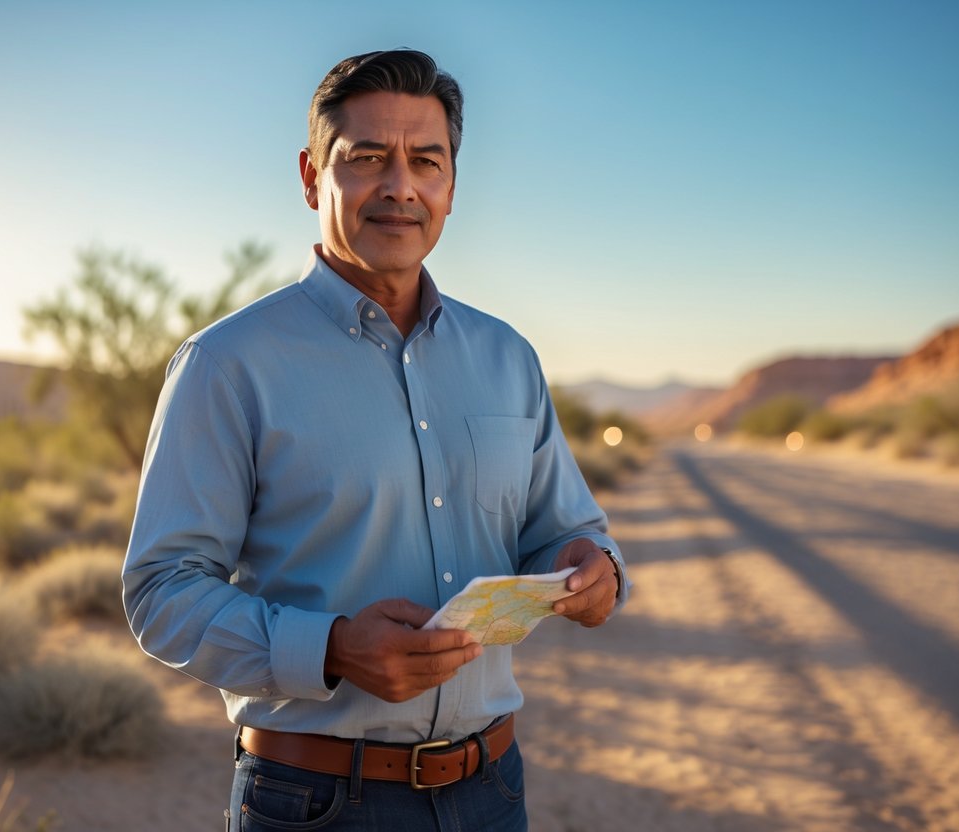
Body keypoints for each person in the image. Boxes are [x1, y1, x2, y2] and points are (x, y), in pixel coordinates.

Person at [123, 48, 628, 831]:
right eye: (366, 159)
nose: (399, 186)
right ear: (309, 176)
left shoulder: (506, 358)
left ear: (451, 188)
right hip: (314, 801)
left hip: (493, 789)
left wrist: (594, 570)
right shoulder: (227, 364)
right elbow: (161, 591)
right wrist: (328, 648)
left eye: (425, 161)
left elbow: (564, 530)